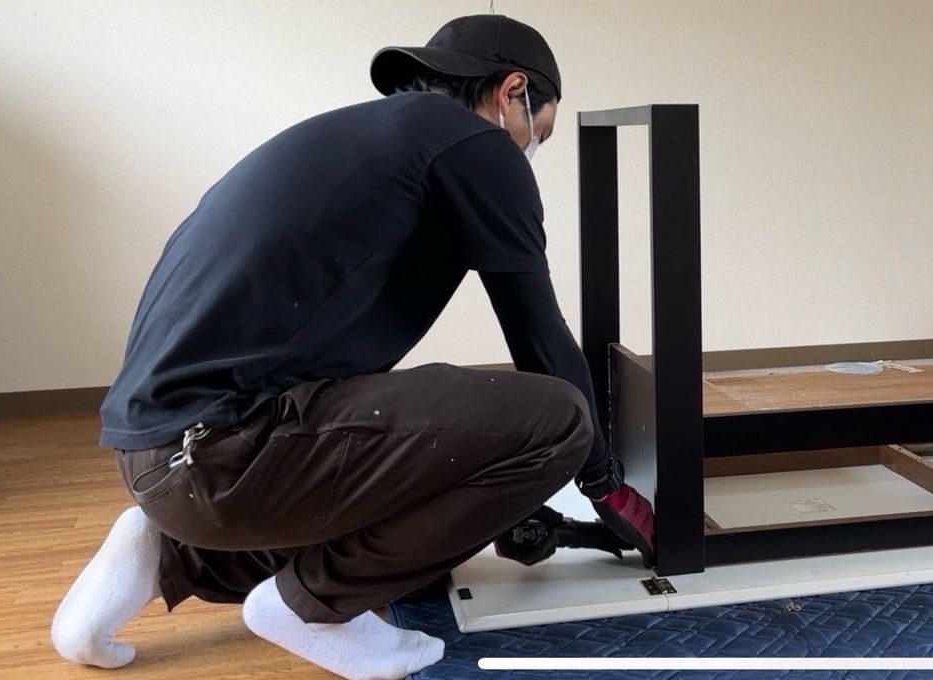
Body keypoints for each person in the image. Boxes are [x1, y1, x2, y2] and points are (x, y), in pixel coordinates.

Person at [49, 15, 655, 680]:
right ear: (514, 92)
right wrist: (605, 485)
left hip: (160, 463)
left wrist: (498, 496)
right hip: (223, 459)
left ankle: (166, 555)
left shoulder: (369, 136)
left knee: (453, 427)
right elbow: (537, 336)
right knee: (558, 419)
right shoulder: (478, 146)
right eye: (540, 130)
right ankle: (312, 608)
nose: (530, 147)